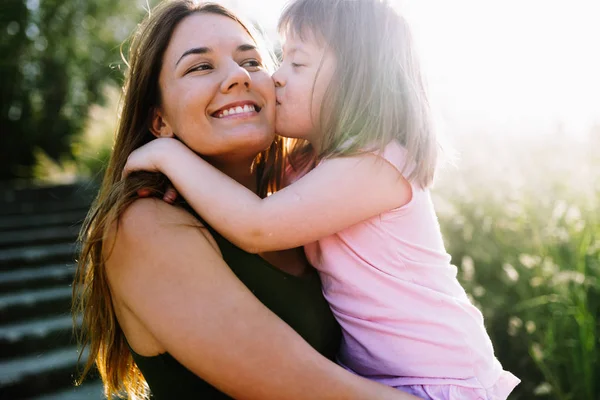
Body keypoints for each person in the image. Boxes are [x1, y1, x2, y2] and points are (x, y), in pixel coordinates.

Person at [122, 0, 521, 399]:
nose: (268, 78)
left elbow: (257, 224)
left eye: (294, 64)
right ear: (158, 120)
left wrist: (168, 156)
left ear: (356, 83)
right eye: (200, 66)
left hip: (437, 380)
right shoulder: (302, 171)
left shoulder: (375, 162)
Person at [72, 1, 420, 399]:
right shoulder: (145, 225)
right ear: (159, 121)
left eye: (252, 62)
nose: (238, 76)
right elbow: (309, 389)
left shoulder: (299, 206)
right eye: (200, 66)